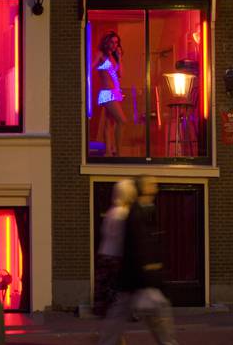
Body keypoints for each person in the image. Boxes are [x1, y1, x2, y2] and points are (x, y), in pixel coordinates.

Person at [121, 175, 178, 345]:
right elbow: (139, 245)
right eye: (151, 183)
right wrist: (150, 271)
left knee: (160, 327)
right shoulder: (136, 214)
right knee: (163, 325)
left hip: (145, 281)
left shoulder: (146, 209)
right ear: (143, 188)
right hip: (147, 282)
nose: (156, 186)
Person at [96, 179, 137, 345]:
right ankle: (110, 339)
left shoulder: (111, 212)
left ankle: (116, 339)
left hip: (105, 259)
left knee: (113, 306)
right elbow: (125, 241)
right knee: (119, 306)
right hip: (115, 261)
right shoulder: (123, 214)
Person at [95, 31, 127, 157]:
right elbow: (90, 66)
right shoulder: (101, 54)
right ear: (106, 42)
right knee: (122, 121)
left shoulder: (113, 57)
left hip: (115, 92)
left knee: (110, 123)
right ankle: (119, 153)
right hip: (106, 92)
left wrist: (119, 58)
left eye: (116, 42)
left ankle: (108, 152)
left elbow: (120, 75)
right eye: (112, 42)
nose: (114, 45)